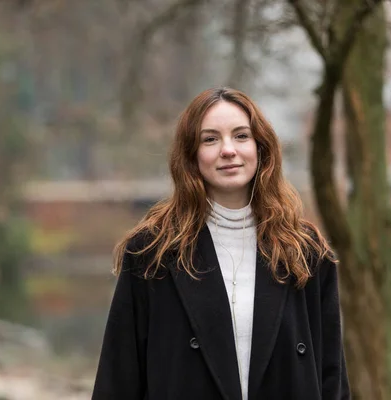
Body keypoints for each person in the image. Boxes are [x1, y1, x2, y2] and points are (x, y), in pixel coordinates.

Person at [92, 87, 350, 400]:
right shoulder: (152, 252)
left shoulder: (305, 251)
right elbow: (118, 379)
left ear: (261, 147)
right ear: (191, 154)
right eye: (210, 139)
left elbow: (331, 377)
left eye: (241, 136)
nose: (228, 150)